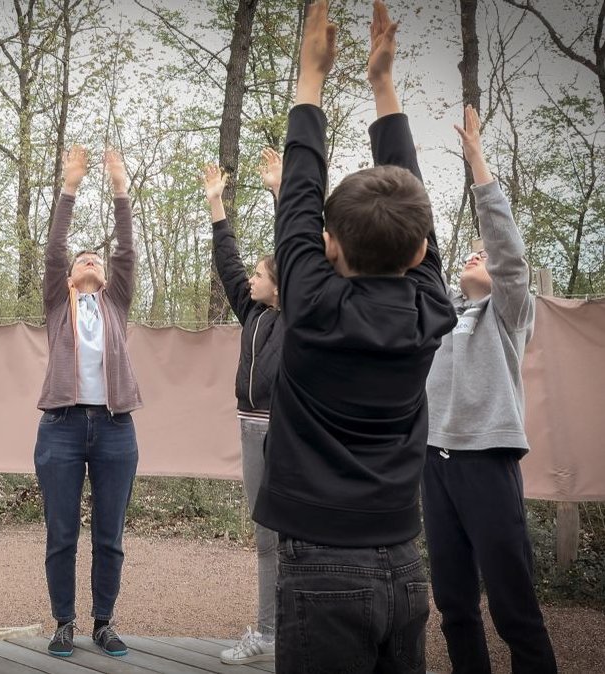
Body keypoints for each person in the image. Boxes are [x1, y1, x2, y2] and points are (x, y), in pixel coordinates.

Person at [252, 2, 457, 671]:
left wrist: (313, 74)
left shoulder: (311, 305)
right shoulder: (430, 309)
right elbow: (335, 200)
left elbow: (298, 193)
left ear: (328, 245)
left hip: (320, 568)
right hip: (404, 563)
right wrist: (381, 84)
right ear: (420, 250)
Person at [423, 104, 557, 673]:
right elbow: (416, 255)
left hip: (487, 459)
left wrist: (478, 164)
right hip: (434, 461)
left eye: (484, 255)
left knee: (512, 606)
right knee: (453, 604)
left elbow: (507, 253)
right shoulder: (438, 315)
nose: (476, 255)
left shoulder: (507, 314)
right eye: (468, 253)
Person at [36, 144, 140, 658]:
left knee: (109, 534)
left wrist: (120, 187)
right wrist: (70, 186)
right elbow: (55, 249)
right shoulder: (59, 303)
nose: (90, 260)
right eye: (83, 259)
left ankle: (103, 622)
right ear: (70, 276)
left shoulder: (116, 301)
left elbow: (126, 251)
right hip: (61, 426)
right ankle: (63, 623)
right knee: (61, 533)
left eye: (95, 258)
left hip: (115, 429)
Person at [204, 150, 283, 665]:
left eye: (260, 274)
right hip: (252, 430)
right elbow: (228, 262)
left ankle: (299, 629)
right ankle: (271, 633)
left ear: (280, 282)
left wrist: (280, 194)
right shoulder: (252, 311)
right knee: (266, 536)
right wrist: (216, 206)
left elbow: (296, 251)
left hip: (290, 430)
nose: (250, 280)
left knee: (296, 535)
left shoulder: (300, 315)